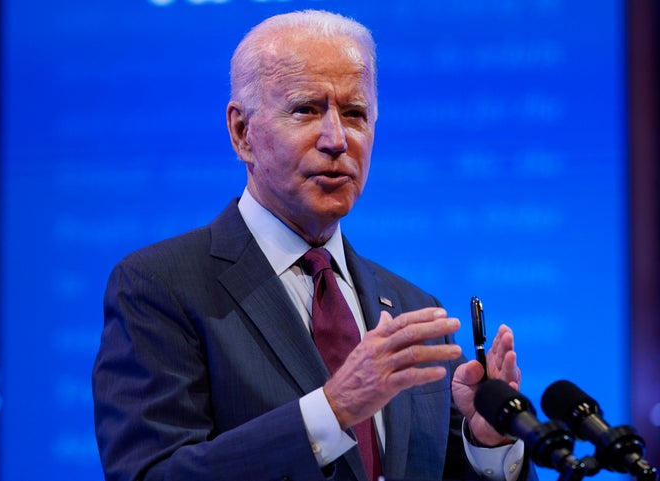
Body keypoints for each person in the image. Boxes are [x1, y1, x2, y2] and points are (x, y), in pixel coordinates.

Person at [92, 10, 537, 481]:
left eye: (355, 114)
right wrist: (333, 410)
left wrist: (488, 444)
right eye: (306, 109)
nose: (337, 140)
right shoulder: (160, 286)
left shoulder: (413, 309)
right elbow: (151, 474)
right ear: (242, 133)